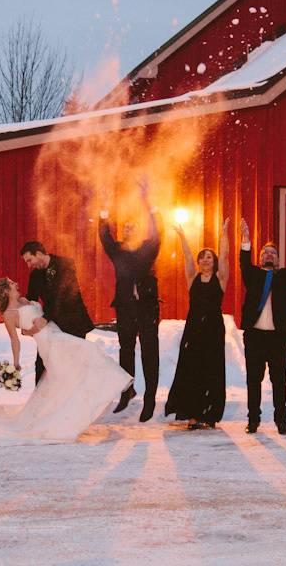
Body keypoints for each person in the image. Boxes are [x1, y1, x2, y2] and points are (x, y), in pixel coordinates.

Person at [0, 277, 132, 441]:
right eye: (12, 284)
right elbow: (15, 339)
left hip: (57, 333)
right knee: (87, 352)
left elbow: (33, 324)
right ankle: (116, 381)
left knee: (68, 377)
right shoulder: (9, 314)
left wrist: (30, 330)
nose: (16, 284)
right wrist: (16, 362)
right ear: (6, 290)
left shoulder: (24, 300)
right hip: (49, 343)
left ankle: (72, 415)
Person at [239, 217, 286, 435]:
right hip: (255, 337)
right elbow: (243, 261)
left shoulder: (283, 278)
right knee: (254, 380)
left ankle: (281, 420)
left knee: (279, 380)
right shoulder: (252, 275)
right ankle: (253, 420)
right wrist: (246, 240)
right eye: (265, 253)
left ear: (278, 260)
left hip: (277, 338)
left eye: (273, 253)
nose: (269, 255)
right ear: (260, 258)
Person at [99, 179, 162, 422]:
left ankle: (150, 399)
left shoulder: (148, 249)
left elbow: (159, 232)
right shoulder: (117, 251)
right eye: (124, 228)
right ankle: (128, 390)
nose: (128, 231)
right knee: (126, 350)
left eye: (131, 228)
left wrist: (149, 202)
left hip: (146, 306)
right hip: (125, 306)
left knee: (149, 353)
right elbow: (104, 236)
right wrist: (104, 208)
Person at [165, 218, 231, 429]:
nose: (205, 261)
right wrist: (183, 237)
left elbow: (226, 256)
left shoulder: (220, 279)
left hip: (212, 329)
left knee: (212, 370)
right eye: (202, 258)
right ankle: (193, 415)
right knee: (191, 371)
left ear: (215, 261)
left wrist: (223, 235)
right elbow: (186, 256)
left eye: (209, 257)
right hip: (193, 330)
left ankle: (209, 415)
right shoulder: (192, 278)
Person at [20, 241, 94, 385]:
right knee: (42, 363)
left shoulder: (66, 264)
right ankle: (41, 402)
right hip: (53, 326)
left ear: (39, 254)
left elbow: (62, 295)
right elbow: (31, 298)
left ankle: (76, 401)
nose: (29, 265)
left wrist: (45, 318)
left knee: (73, 364)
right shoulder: (35, 276)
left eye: (30, 260)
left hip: (74, 322)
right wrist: (19, 307)